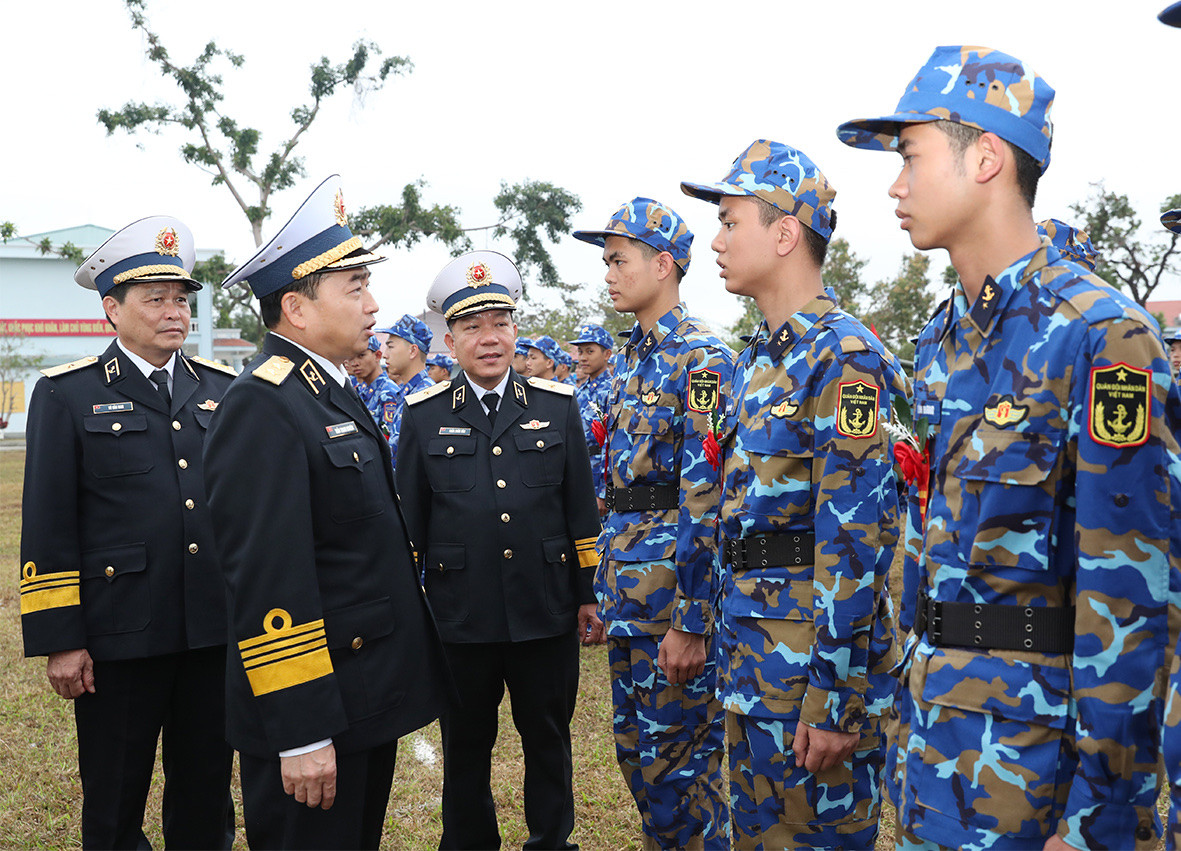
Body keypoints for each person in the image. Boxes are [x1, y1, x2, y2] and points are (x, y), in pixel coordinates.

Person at [838, 45, 1181, 849]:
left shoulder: (1100, 335)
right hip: (935, 740)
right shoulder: (941, 338)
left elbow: (1128, 594)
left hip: (1035, 768)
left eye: (910, 157)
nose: (894, 185)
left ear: (985, 157)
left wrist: (1099, 814)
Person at [203, 175, 448, 850]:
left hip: (358, 697)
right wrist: (300, 730)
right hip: (317, 713)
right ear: (297, 308)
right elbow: (267, 577)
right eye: (355, 287)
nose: (373, 305)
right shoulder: (264, 403)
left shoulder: (325, 390)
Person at [681, 142, 908, 849]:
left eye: (729, 222)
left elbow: (857, 538)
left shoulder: (844, 358)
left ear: (784, 234)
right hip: (753, 662)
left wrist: (835, 696)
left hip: (811, 678)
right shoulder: (757, 359)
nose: (715, 242)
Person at [19, 216, 235, 849]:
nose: (174, 312)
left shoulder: (221, 390)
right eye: (155, 299)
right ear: (112, 309)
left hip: (209, 630)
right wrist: (61, 639)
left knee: (206, 793)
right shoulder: (67, 393)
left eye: (181, 300)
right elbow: (49, 522)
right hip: (119, 634)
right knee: (115, 797)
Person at [396, 249, 602, 851]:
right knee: (465, 746)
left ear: (515, 330)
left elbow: (580, 512)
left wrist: (588, 595)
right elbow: (410, 526)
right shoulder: (424, 416)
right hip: (460, 616)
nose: (489, 338)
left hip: (545, 608)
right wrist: (413, 613)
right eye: (472, 327)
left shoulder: (557, 406)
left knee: (548, 740)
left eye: (500, 323)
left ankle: (551, 842)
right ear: (450, 342)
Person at [572, 197, 732, 849]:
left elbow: (707, 495)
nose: (608, 274)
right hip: (629, 599)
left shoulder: (702, 359)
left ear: (663, 265)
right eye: (606, 262)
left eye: (619, 260)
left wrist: (691, 620)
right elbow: (623, 492)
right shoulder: (630, 359)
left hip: (670, 606)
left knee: (682, 780)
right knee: (641, 766)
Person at [376, 313, 435, 469]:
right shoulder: (406, 393)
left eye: (390, 346)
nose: (385, 355)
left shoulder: (426, 396)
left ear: (412, 351)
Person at [570, 323, 615, 514]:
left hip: (598, 478)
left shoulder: (611, 391)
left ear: (607, 354)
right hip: (580, 472)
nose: (583, 357)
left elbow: (611, 443)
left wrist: (604, 492)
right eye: (580, 352)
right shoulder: (580, 391)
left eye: (590, 351)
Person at [343, 335, 399, 447]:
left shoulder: (388, 392)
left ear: (377, 356)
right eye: (351, 357)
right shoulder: (360, 390)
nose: (354, 363)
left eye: (361, 355)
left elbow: (390, 442)